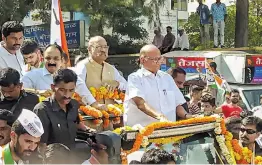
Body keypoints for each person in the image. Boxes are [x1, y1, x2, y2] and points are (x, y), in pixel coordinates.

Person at [21, 44, 105, 110]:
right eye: (48, 58)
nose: (52, 62)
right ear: (43, 59)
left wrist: (94, 104)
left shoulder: (70, 74)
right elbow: (20, 90)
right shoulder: (32, 76)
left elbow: (82, 89)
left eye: (56, 58)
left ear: (62, 60)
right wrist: (38, 92)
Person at [124, 44, 191, 127]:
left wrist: (187, 116)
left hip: (168, 130)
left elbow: (177, 104)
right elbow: (140, 103)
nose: (159, 62)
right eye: (155, 59)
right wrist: (160, 117)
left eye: (160, 59)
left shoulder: (167, 78)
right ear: (142, 60)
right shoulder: (135, 78)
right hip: (143, 132)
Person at [33, 69, 91, 150]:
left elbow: (76, 123)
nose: (67, 95)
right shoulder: (42, 110)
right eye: (62, 90)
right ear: (53, 88)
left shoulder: (74, 105)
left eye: (71, 90)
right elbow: (41, 144)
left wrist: (89, 130)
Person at [75, 36, 127, 105]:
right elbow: (79, 86)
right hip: (90, 112)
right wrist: (94, 103)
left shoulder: (111, 69)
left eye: (105, 47)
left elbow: (127, 87)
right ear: (90, 49)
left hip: (112, 113)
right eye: (99, 47)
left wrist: (118, 84)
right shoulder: (83, 66)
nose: (103, 50)